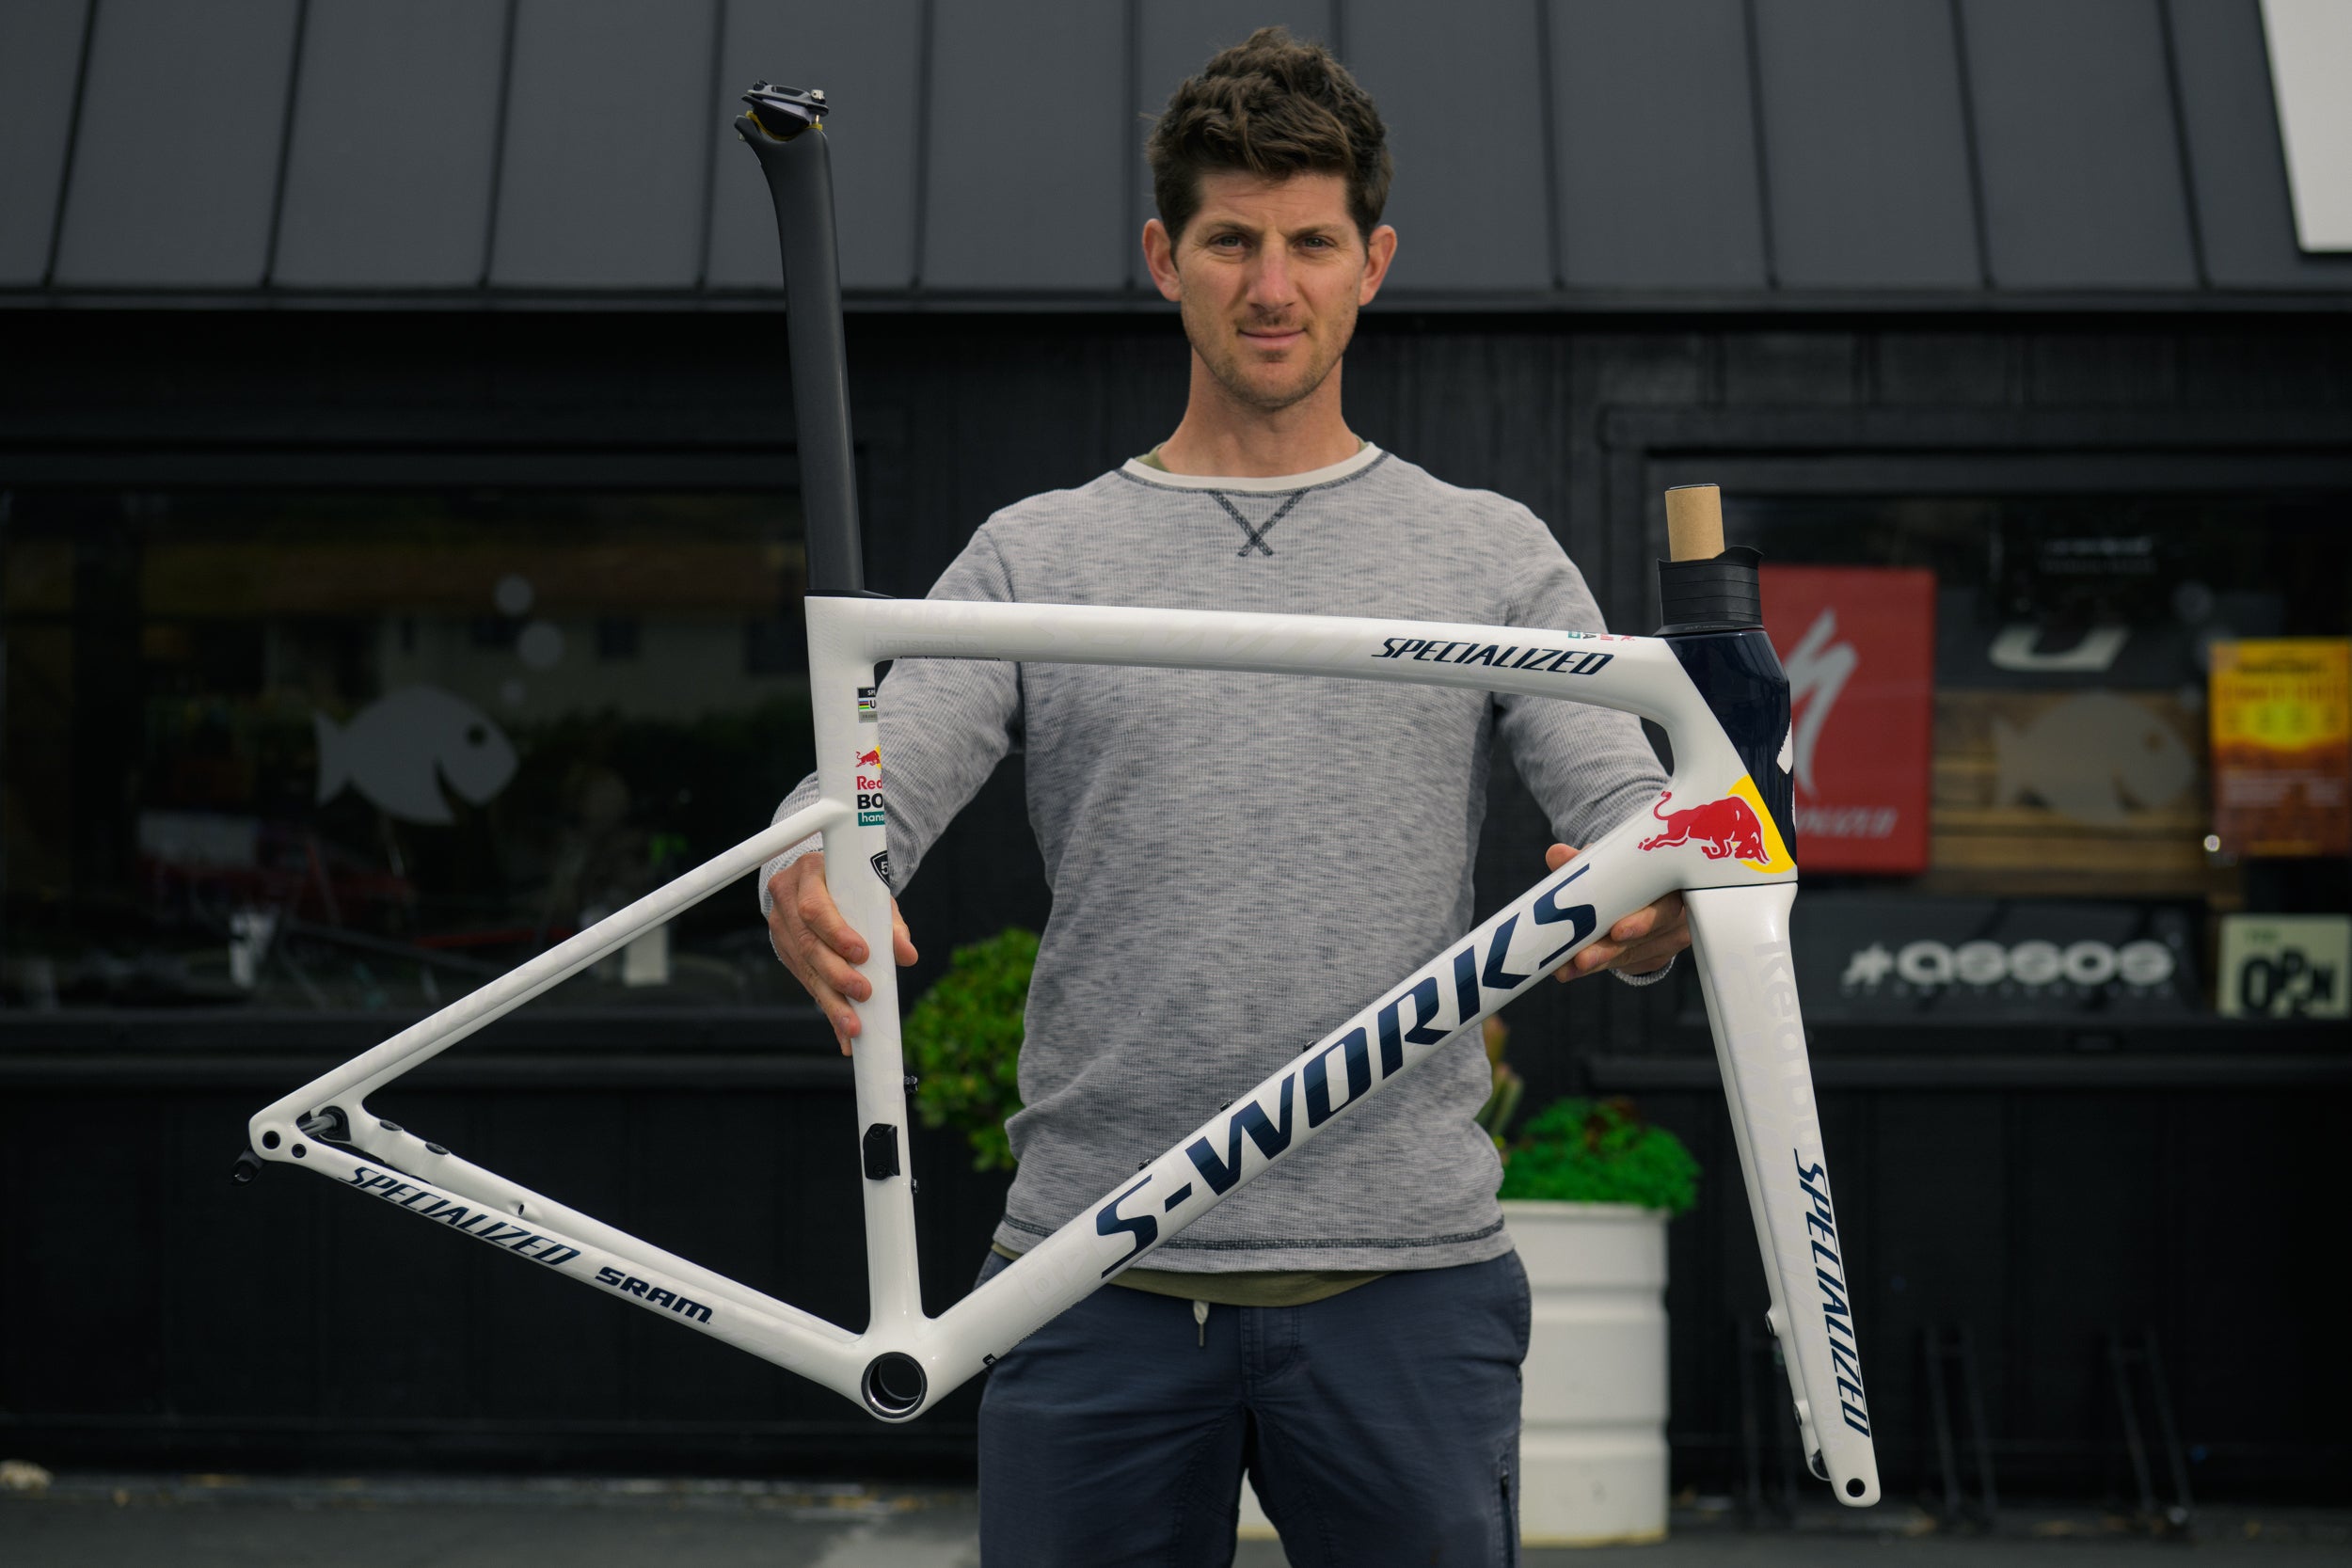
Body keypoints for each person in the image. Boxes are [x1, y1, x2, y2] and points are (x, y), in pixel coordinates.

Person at [759, 28, 1689, 1566]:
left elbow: (1629, 812)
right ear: (1163, 257)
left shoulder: (1490, 556)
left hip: (1405, 1279)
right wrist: (812, 853)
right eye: (1232, 240)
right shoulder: (1035, 558)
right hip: (1086, 1277)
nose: (1274, 285)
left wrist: (1649, 910)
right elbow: (881, 765)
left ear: (1372, 261)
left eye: (1312, 242)